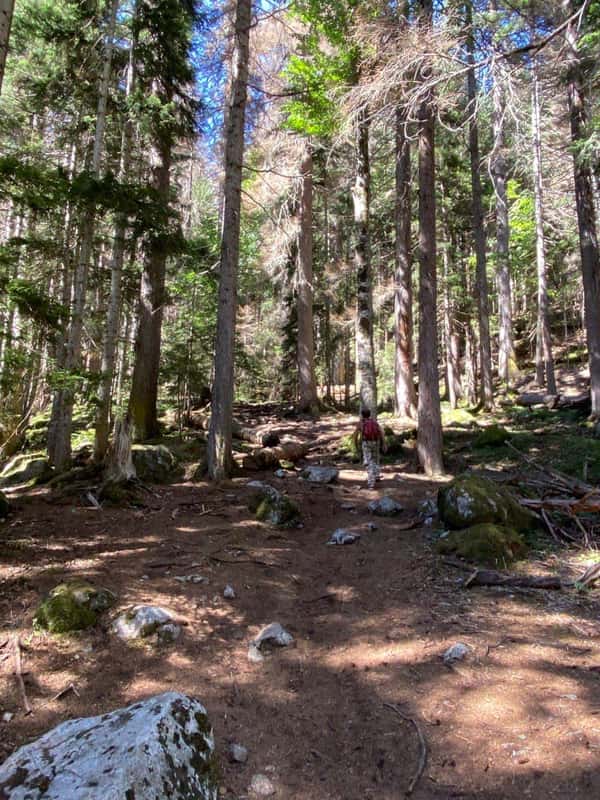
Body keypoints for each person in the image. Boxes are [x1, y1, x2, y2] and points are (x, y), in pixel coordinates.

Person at [353, 408, 386, 489]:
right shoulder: (374, 422)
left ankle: (371, 482)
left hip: (366, 443)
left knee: (368, 461)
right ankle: (377, 475)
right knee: (376, 459)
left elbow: (355, 435)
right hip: (376, 442)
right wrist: (384, 443)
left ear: (362, 415)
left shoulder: (361, 423)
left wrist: (356, 445)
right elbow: (382, 432)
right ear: (370, 414)